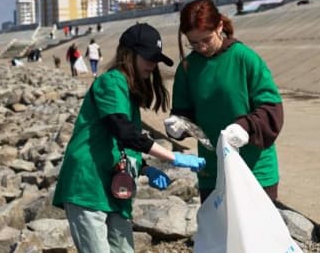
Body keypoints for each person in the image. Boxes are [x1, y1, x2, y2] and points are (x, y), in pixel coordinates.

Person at [53, 22, 206, 253]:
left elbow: (123, 143)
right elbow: (121, 129)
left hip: (114, 187)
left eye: (156, 59)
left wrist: (144, 168)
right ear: (129, 54)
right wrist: (172, 157)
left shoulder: (128, 91)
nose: (153, 65)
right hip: (88, 185)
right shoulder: (110, 82)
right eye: (148, 57)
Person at [164, 0, 283, 203]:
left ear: (219, 27)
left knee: (258, 234)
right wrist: (179, 124)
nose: (201, 47)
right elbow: (185, 113)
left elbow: (272, 111)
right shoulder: (188, 68)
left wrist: (245, 126)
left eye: (206, 40)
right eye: (193, 43)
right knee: (219, 234)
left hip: (255, 170)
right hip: (213, 171)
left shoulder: (245, 58)